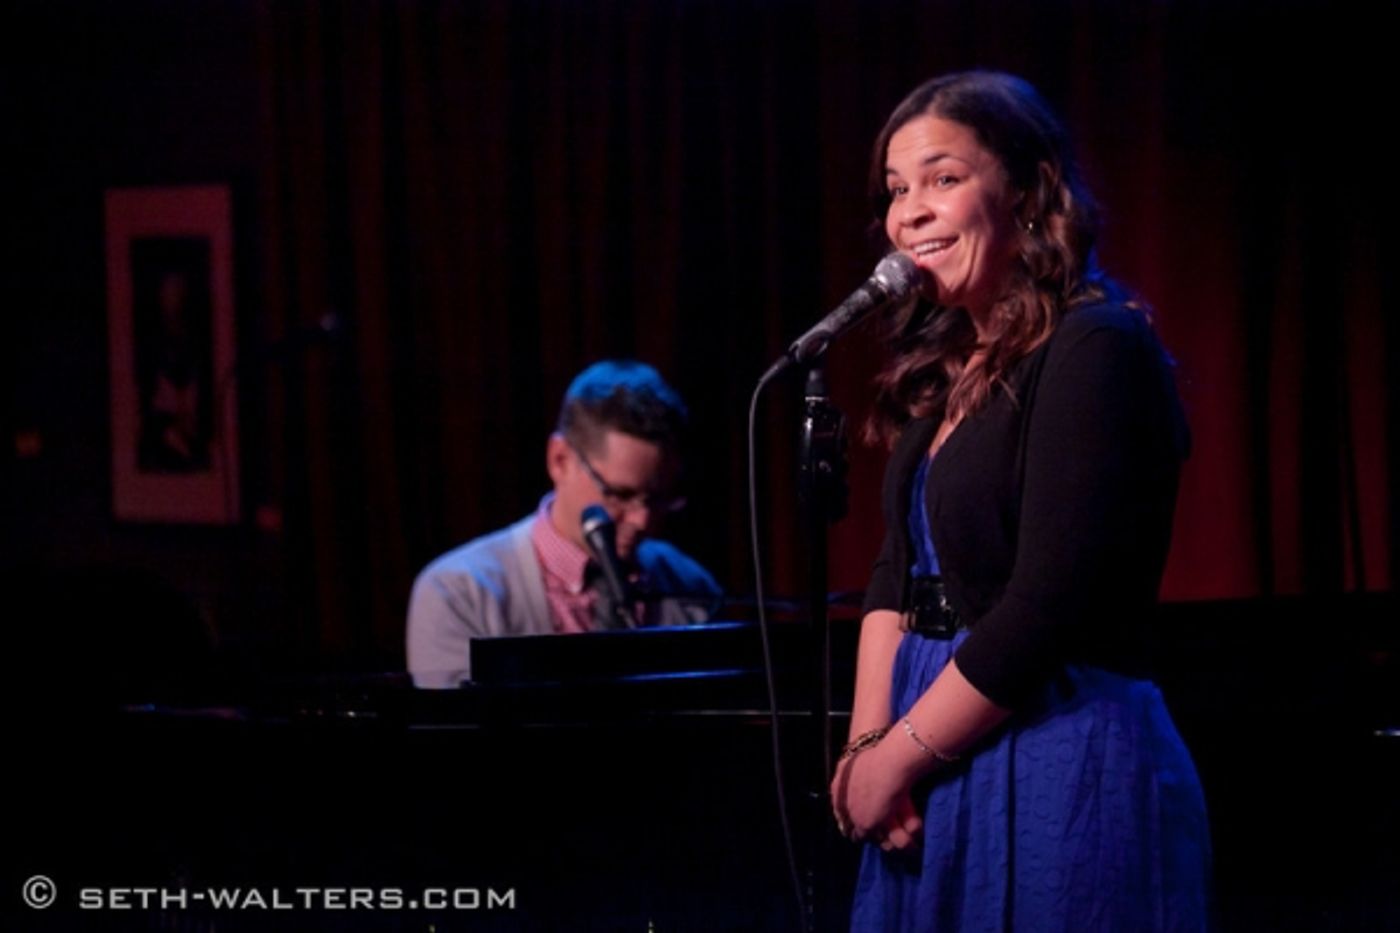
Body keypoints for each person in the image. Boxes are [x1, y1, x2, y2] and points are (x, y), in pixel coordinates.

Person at [829, 72, 1211, 930]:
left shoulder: (1095, 346)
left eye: (943, 178)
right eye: (897, 190)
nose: (910, 211)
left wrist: (902, 754)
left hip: (1051, 743)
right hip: (932, 755)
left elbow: (1048, 601)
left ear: (1029, 193)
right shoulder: (946, 378)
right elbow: (894, 573)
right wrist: (867, 748)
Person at [406, 360, 722, 687]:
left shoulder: (690, 587)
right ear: (560, 460)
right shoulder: (460, 592)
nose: (642, 520)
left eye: (658, 498)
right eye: (619, 494)